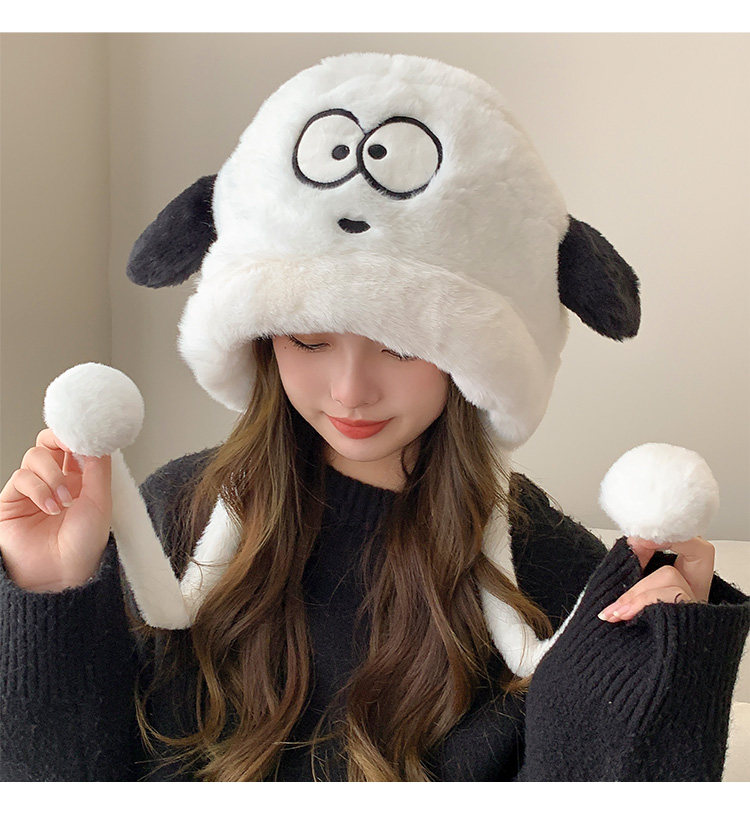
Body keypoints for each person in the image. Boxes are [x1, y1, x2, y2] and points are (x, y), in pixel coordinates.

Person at [1, 53, 748, 782]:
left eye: (401, 347)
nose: (350, 391)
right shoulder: (173, 516)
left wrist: (664, 666)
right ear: (262, 340)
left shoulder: (545, 571)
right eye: (309, 339)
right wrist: (47, 592)